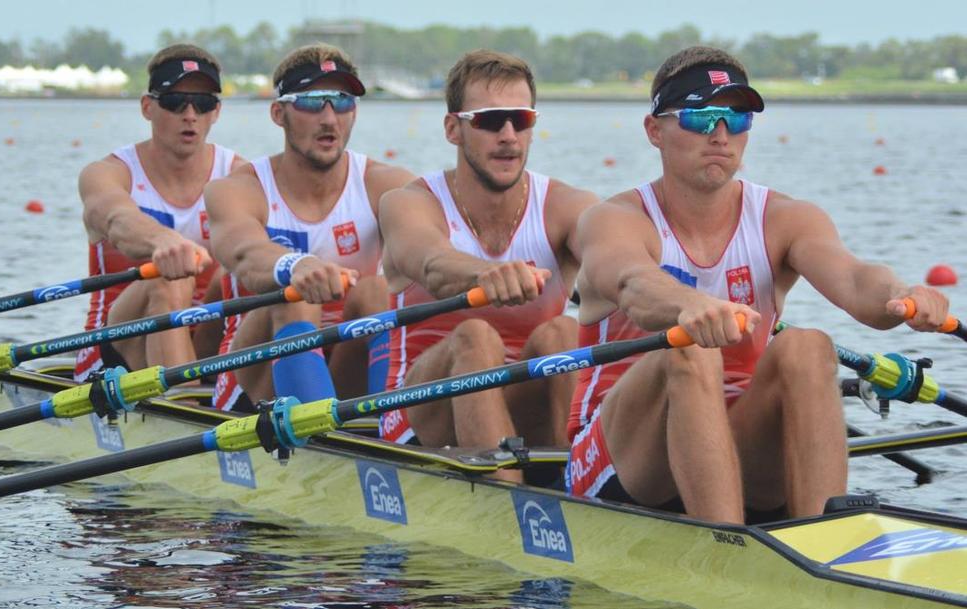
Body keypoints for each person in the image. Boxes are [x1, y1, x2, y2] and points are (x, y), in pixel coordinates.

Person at [565, 45, 950, 523]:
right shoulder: (615, 219)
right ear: (654, 131)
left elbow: (854, 279)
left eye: (738, 118)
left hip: (736, 437)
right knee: (689, 346)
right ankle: (726, 542)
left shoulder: (786, 218)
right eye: (700, 118)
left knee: (809, 346)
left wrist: (903, 295)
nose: (721, 134)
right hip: (623, 457)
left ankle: (822, 539)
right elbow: (632, 284)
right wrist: (691, 305)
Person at [377, 49, 599, 480]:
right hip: (419, 413)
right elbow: (430, 261)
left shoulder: (569, 207)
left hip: (520, 400)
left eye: (522, 119)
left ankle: (581, 490)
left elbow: (620, 264)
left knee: (565, 332)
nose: (509, 135)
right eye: (490, 120)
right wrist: (484, 274)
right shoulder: (408, 203)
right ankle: (510, 501)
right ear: (452, 129)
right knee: (477, 336)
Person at [205, 44, 414, 411]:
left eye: (342, 101)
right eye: (313, 102)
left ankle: (389, 431)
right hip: (254, 378)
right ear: (278, 113)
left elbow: (429, 247)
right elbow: (243, 250)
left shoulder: (388, 184)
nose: (330, 118)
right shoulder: (238, 189)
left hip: (342, 363)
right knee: (294, 295)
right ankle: (322, 443)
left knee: (378, 292)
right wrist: (295, 265)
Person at [75, 44, 245, 383]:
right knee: (168, 278)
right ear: (147, 107)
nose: (190, 115)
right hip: (113, 348)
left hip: (205, 339)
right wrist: (162, 241)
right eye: (174, 102)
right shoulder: (107, 173)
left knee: (233, 276)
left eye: (203, 103)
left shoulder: (239, 176)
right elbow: (116, 219)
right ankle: (186, 407)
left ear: (217, 111)